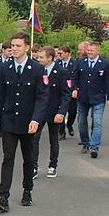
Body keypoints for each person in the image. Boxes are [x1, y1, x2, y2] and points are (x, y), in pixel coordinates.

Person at [0, 32, 48, 213]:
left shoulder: (37, 69)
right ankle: (3, 196)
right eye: (12, 46)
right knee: (8, 158)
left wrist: (36, 119)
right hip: (9, 120)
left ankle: (27, 190)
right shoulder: (3, 67)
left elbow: (42, 97)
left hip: (28, 122)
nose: (13, 49)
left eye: (18, 46)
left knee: (28, 159)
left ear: (27, 48)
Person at [31, 46, 71, 179]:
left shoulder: (61, 72)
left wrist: (62, 112)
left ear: (50, 58)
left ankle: (53, 165)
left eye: (42, 57)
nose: (39, 59)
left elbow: (66, 94)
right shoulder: (37, 70)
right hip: (39, 111)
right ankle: (34, 167)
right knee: (34, 140)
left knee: (53, 140)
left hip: (54, 111)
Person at [72, 41, 109, 158]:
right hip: (83, 97)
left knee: (97, 122)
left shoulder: (105, 63)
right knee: (81, 122)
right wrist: (74, 89)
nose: (89, 52)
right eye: (88, 50)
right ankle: (85, 142)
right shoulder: (80, 62)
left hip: (98, 98)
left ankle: (94, 146)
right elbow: (74, 77)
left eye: (92, 50)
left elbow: (108, 83)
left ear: (97, 51)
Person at [57, 45, 77, 140]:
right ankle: (61, 132)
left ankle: (69, 125)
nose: (59, 55)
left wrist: (76, 89)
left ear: (68, 53)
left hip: (71, 90)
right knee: (61, 111)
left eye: (61, 53)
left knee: (72, 111)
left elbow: (78, 77)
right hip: (60, 91)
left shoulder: (75, 63)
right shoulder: (57, 63)